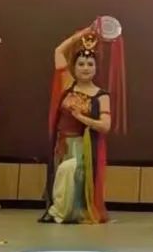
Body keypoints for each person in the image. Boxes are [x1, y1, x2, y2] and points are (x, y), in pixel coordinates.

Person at [39, 21, 126, 224]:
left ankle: (64, 211)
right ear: (74, 67)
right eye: (81, 64)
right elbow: (58, 51)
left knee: (71, 173)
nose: (85, 68)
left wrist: (83, 118)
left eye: (90, 64)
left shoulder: (101, 95)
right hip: (62, 144)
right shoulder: (67, 84)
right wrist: (84, 32)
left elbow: (105, 126)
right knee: (61, 175)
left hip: (84, 146)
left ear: (96, 68)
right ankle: (60, 209)